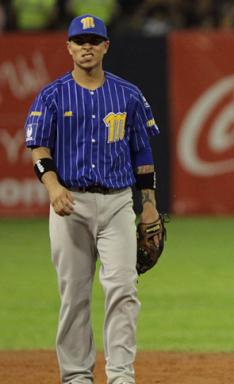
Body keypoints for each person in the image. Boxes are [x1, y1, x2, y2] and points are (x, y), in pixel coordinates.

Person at [24, 14, 161, 384]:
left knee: (123, 289)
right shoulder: (52, 95)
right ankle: (76, 377)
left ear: (105, 46)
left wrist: (148, 204)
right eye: (79, 40)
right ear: (68, 47)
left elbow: (143, 153)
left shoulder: (128, 94)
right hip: (71, 204)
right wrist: (53, 187)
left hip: (118, 203)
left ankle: (120, 376)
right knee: (74, 296)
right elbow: (38, 147)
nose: (86, 46)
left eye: (93, 40)